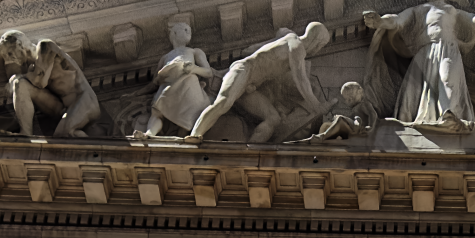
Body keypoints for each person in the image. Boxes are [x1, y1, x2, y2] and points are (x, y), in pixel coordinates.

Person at [360, 0, 475, 129]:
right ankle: (413, 122)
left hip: (448, 50)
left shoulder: (452, 10)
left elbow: (474, 21)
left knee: (448, 79)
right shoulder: (419, 9)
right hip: (425, 52)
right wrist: (380, 21)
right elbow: (397, 20)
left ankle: (450, 116)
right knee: (413, 93)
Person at [185, 22, 332, 144]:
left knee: (273, 119)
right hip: (243, 71)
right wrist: (316, 106)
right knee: (224, 103)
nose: (318, 50)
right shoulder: (296, 45)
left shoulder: (288, 40)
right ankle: (194, 135)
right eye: (321, 45)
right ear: (316, 40)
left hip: (250, 87)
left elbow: (252, 50)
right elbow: (301, 80)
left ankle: (251, 152)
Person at [0, 30, 100, 139]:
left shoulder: (45, 46)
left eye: (9, 53)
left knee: (63, 135)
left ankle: (92, 145)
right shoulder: (31, 70)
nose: (10, 58)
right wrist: (17, 80)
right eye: (6, 57)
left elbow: (41, 81)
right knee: (20, 84)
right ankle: (26, 135)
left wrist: (16, 77)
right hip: (63, 108)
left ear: (19, 44)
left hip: (84, 101)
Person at [133, 18, 221, 138]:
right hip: (167, 87)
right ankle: (149, 134)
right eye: (184, 29)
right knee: (157, 112)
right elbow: (154, 83)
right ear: (173, 34)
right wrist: (137, 93)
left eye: (188, 29)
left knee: (191, 112)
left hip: (188, 85)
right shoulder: (165, 57)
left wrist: (194, 69)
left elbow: (208, 72)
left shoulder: (195, 51)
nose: (187, 31)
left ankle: (191, 134)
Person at [300, 81, 380, 142]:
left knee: (340, 119)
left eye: (347, 99)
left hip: (360, 130)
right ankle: (321, 139)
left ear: (352, 98)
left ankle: (321, 137)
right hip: (354, 128)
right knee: (326, 125)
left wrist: (371, 126)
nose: (346, 102)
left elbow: (372, 113)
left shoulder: (364, 104)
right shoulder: (356, 108)